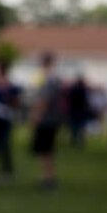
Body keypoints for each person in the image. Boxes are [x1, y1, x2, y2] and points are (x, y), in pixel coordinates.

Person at [31, 52, 67, 189]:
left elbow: (44, 100)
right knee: (46, 150)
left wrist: (36, 115)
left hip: (46, 120)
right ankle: (47, 176)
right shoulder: (53, 78)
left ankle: (48, 178)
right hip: (51, 119)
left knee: (45, 150)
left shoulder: (48, 79)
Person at [66, 73, 93, 147]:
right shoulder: (85, 90)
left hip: (74, 110)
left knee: (74, 127)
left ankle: (73, 141)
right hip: (81, 110)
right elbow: (88, 100)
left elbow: (69, 98)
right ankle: (81, 141)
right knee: (81, 127)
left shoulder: (73, 89)